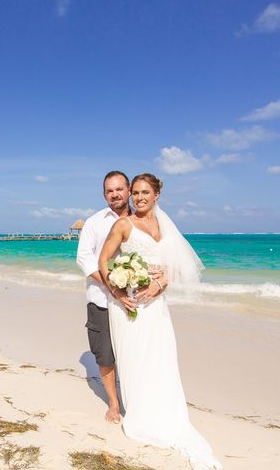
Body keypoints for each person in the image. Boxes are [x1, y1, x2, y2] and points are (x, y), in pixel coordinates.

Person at [98, 173, 222, 470]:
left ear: (156, 196)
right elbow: (103, 262)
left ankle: (165, 412)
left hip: (157, 304)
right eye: (136, 193)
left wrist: (161, 284)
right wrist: (117, 292)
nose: (139, 198)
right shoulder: (123, 225)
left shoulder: (164, 225)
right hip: (131, 305)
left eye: (145, 193)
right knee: (137, 359)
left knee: (162, 357)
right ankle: (142, 413)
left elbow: (178, 265)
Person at [76, 170, 135, 424]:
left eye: (119, 189)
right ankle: (114, 402)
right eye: (109, 191)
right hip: (101, 299)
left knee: (134, 353)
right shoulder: (94, 222)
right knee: (105, 355)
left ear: (129, 190)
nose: (115, 194)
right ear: (104, 194)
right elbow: (84, 258)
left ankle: (137, 400)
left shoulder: (142, 220)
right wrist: (113, 285)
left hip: (136, 301)